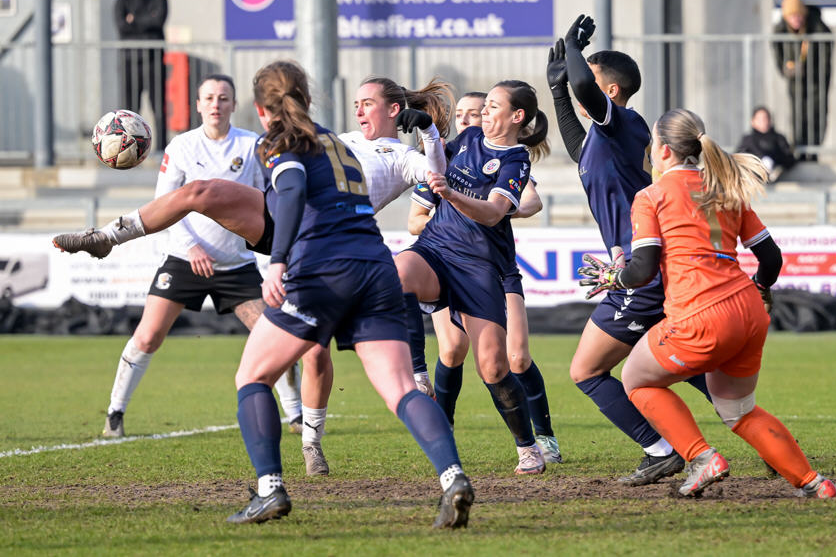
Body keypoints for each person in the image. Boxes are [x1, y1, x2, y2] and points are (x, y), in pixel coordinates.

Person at [52, 75, 455, 476]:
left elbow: (439, 179)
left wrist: (429, 133)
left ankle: (310, 442)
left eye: (367, 103)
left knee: (313, 354)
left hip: (318, 240)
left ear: (394, 110)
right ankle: (107, 237)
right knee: (201, 192)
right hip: (280, 215)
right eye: (356, 104)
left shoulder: (403, 157)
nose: (359, 111)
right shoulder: (338, 138)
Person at [223, 60, 472, 526]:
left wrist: (277, 260)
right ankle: (453, 477)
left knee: (253, 377)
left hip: (322, 270)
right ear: (308, 98)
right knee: (401, 388)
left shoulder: (280, 139)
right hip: (376, 266)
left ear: (261, 109)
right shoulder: (337, 141)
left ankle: (270, 490)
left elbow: (291, 191)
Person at [579, 107, 836, 499]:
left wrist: (614, 278)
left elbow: (643, 268)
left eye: (652, 143)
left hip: (699, 313)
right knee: (740, 412)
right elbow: (771, 258)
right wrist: (762, 288)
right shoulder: (725, 188)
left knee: (635, 378)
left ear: (664, 150)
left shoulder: (651, 195)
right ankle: (815, 484)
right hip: (748, 311)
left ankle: (701, 457)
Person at [547, 15, 711, 486]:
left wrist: (575, 52)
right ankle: (763, 436)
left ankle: (660, 449)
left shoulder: (623, 123)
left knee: (587, 370)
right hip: (650, 269)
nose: (581, 84)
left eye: (591, 80)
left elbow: (585, 85)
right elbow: (577, 148)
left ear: (612, 91)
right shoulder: (605, 138)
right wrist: (557, 90)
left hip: (642, 274)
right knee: (686, 366)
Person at [100, 74, 302, 439]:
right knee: (147, 336)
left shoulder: (252, 144)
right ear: (197, 105)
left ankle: (297, 415)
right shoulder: (181, 146)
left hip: (236, 265)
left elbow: (268, 201)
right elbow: (163, 206)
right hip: (184, 259)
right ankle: (115, 412)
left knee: (276, 335)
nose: (216, 104)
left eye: (223, 98)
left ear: (234, 104)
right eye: (209, 98)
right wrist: (191, 246)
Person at [396, 79, 552, 475]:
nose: (484, 112)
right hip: (436, 248)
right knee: (396, 275)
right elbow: (434, 161)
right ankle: (417, 373)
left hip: (479, 267)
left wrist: (451, 194)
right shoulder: (467, 138)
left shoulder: (516, 161)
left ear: (516, 116)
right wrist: (426, 127)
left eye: (493, 106)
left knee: (495, 367)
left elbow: (495, 213)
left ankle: (529, 447)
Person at [773, 0, 832, 162]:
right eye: (792, 17)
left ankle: (813, 150)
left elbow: (825, 56)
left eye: (798, 16)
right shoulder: (781, 30)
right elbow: (778, 55)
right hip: (796, 81)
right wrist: (786, 69)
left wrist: (813, 72)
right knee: (798, 115)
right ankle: (799, 149)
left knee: (817, 114)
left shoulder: (817, 27)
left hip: (816, 80)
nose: (796, 20)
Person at [115, 0, 168, 149]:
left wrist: (134, 19)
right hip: (130, 63)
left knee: (158, 107)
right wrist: (147, 19)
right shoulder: (122, 1)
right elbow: (122, 26)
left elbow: (157, 21)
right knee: (130, 110)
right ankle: (130, 149)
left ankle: (161, 148)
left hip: (154, 62)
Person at [735, 106, 796, 182]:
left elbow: (789, 157)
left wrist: (774, 160)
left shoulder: (779, 138)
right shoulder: (748, 139)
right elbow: (739, 156)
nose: (763, 121)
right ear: (753, 121)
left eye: (766, 118)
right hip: (754, 175)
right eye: (760, 119)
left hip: (775, 174)